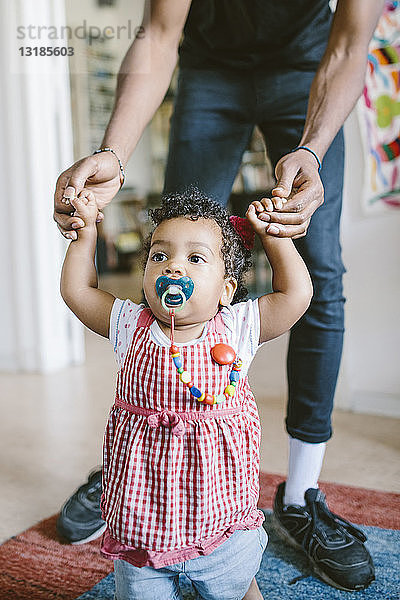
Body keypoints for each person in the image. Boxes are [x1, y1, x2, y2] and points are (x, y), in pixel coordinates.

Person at [54, 0, 384, 591]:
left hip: (309, 64)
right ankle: (136, 472)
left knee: (320, 268)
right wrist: (113, 156)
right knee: (180, 234)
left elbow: (347, 46)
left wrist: (309, 151)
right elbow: (158, 35)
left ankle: (303, 491)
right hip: (208, 70)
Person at [60, 187, 313, 600]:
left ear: (226, 290)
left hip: (218, 511)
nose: (174, 265)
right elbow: (78, 291)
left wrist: (275, 238)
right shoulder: (130, 324)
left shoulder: (238, 328)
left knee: (232, 582)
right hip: (144, 515)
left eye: (195, 258)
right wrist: (85, 234)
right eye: (159, 256)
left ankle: (242, 585)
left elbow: (296, 295)